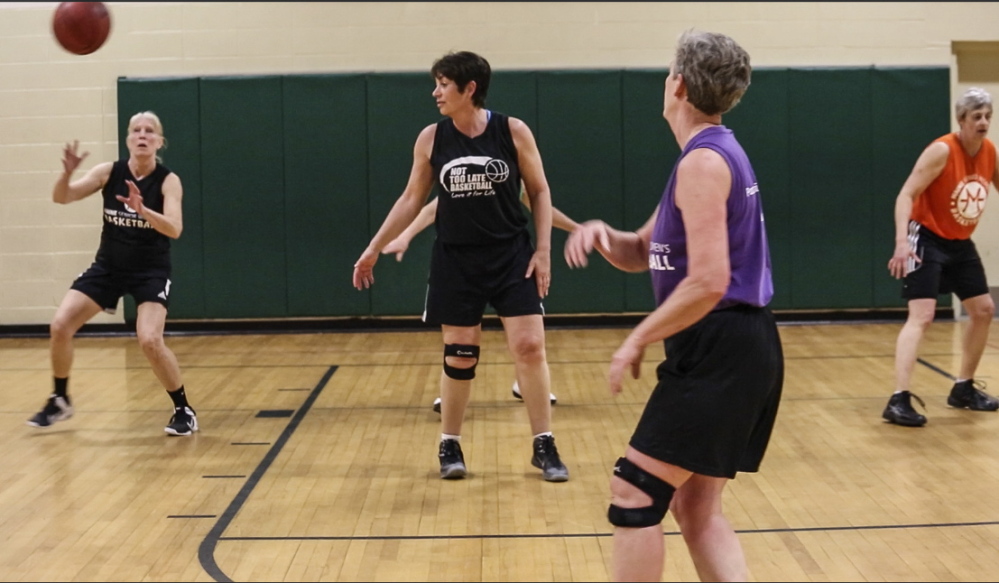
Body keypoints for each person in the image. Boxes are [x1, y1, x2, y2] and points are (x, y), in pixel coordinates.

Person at [564, 30, 784, 581]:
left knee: (634, 491)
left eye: (668, 72)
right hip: (734, 347)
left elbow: (709, 281)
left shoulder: (704, 164)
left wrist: (637, 337)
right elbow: (646, 251)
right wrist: (602, 236)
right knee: (695, 507)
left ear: (679, 84)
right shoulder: (703, 156)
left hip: (723, 347)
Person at [353, 50, 569, 482]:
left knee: (529, 346)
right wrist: (375, 246)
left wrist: (543, 250)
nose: (435, 92)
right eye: (436, 83)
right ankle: (449, 443)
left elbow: (540, 193)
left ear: (470, 89)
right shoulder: (432, 138)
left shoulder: (513, 131)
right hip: (456, 260)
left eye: (443, 84)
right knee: (461, 353)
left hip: (511, 255)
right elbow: (412, 198)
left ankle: (543, 443)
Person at [27, 111, 198, 437]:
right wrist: (65, 175)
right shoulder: (109, 172)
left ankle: (183, 409)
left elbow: (174, 229)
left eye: (150, 131)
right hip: (108, 267)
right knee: (60, 325)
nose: (143, 135)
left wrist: (143, 210)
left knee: (149, 339)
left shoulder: (168, 181)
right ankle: (60, 399)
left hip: (150, 271)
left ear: (159, 141)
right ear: (128, 139)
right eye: (137, 130)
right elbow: (62, 197)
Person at [382, 189, 578, 413]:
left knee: (527, 339)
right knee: (459, 341)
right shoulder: (459, 168)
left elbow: (538, 202)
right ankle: (450, 398)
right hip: (462, 260)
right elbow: (432, 208)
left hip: (508, 259)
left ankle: (526, 386)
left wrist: (577, 229)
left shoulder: (512, 165)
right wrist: (405, 236)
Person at [882, 87, 999, 427]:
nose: (983, 122)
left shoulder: (989, 151)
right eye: (976, 117)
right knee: (923, 315)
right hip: (926, 237)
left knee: (983, 309)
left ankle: (963, 388)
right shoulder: (942, 151)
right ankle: (898, 398)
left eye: (987, 116)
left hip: (959, 242)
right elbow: (906, 194)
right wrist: (902, 241)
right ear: (961, 120)